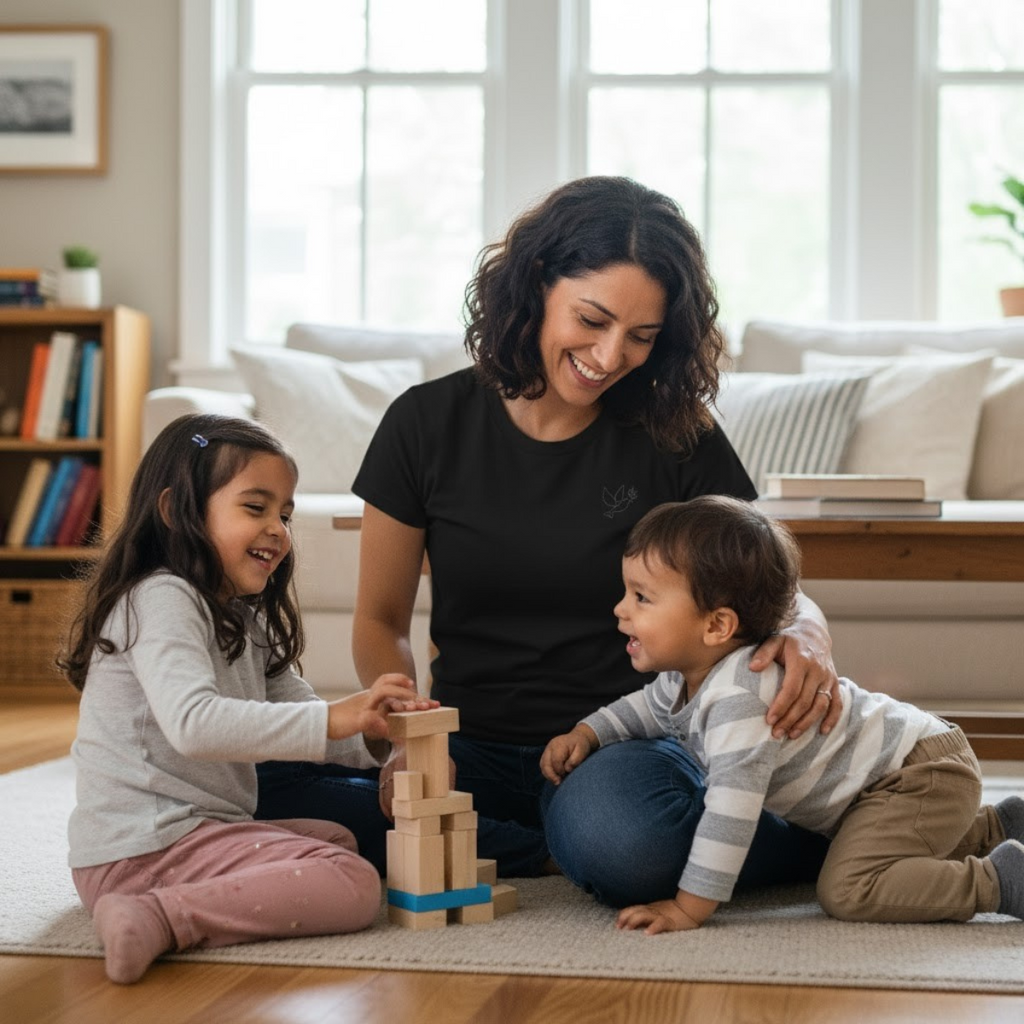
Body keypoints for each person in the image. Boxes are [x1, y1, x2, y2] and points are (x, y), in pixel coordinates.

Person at [255, 175, 838, 896]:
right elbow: (380, 621)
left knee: (626, 844)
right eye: (591, 320)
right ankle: (549, 848)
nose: (610, 354)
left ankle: (819, 839)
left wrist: (809, 633)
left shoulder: (674, 432)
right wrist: (407, 739)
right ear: (536, 283)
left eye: (642, 337)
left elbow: (771, 591)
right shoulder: (424, 425)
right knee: (259, 793)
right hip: (465, 740)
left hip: (620, 742)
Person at [60, 413, 437, 984]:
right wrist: (336, 718)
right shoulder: (162, 597)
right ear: (175, 511)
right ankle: (160, 915)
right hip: (141, 849)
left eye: (284, 513)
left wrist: (372, 734)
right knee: (355, 885)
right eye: (255, 508)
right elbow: (194, 725)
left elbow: (297, 716)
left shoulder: (239, 613)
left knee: (338, 839)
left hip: (188, 832)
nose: (279, 530)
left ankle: (169, 901)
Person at [541, 495, 1024, 931]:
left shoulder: (740, 700)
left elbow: (730, 813)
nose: (620, 610)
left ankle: (999, 881)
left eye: (641, 598)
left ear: (716, 625)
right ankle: (996, 826)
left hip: (916, 775)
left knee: (850, 889)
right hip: (902, 773)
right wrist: (590, 732)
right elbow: (644, 709)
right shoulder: (685, 674)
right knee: (880, 845)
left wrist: (689, 906)